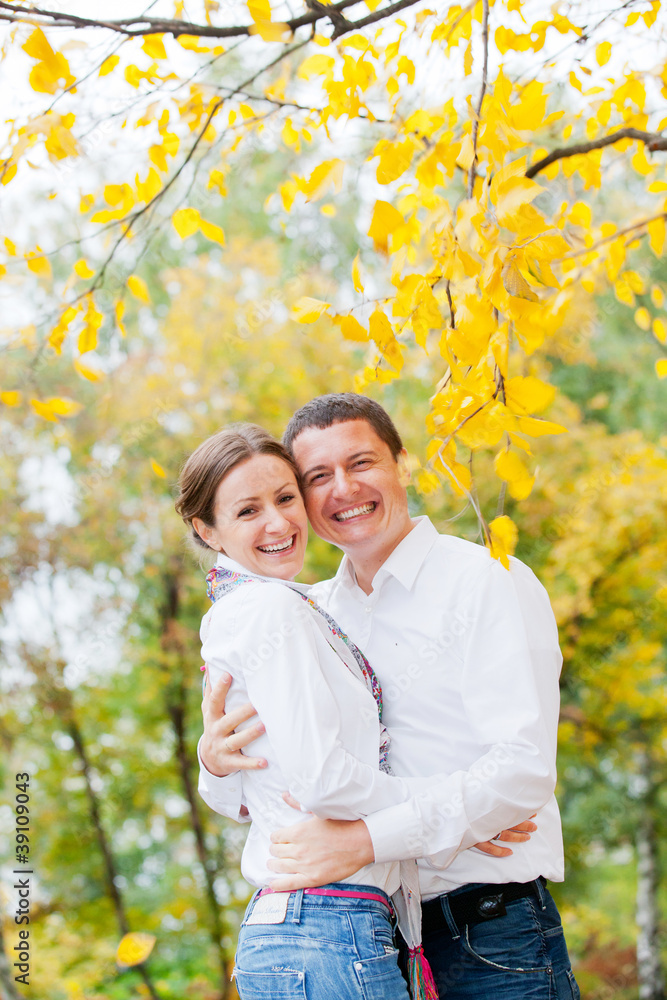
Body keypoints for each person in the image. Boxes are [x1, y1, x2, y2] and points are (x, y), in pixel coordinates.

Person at [198, 394, 580, 1000]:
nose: (343, 488)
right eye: (317, 477)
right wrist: (215, 762)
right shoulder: (310, 614)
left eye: (362, 463)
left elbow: (521, 773)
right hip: (375, 933)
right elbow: (253, 794)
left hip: (490, 927)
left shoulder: (487, 581)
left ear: (402, 462)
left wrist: (367, 839)